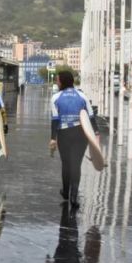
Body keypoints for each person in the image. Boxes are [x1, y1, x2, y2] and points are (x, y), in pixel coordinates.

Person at [48, 71, 98, 206]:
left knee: (66, 163)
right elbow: (91, 116)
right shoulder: (82, 96)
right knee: (76, 164)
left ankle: (65, 192)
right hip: (81, 134)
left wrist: (53, 138)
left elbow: (55, 120)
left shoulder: (55, 98)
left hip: (64, 134)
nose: (57, 83)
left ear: (62, 82)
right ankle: (74, 196)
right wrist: (96, 134)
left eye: (58, 80)